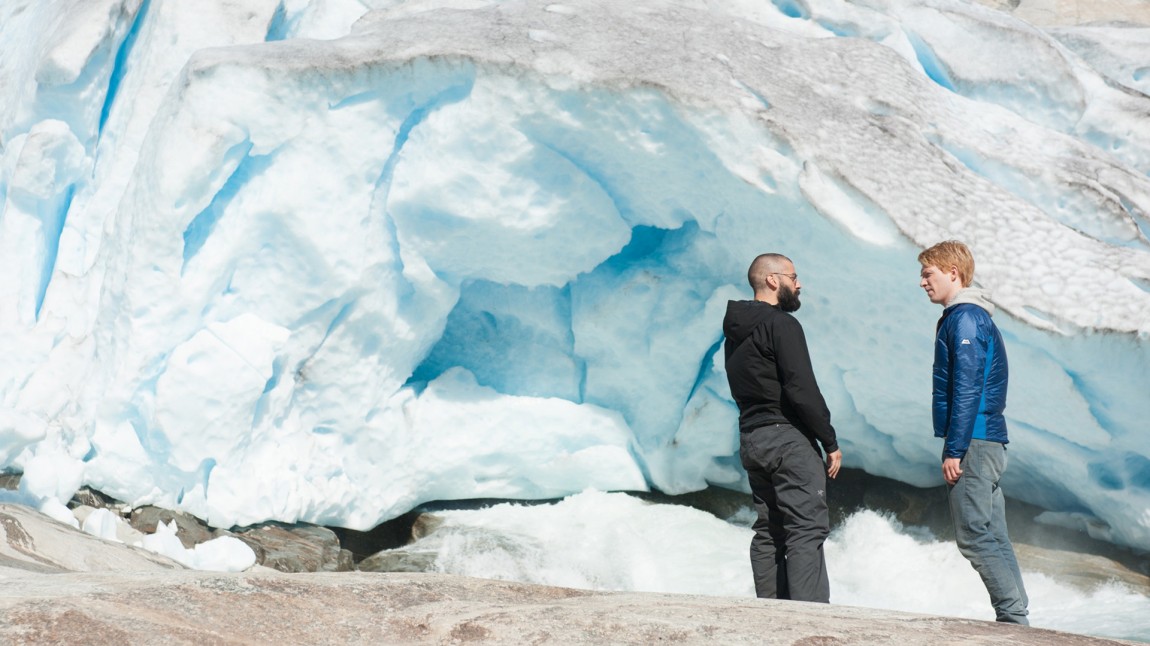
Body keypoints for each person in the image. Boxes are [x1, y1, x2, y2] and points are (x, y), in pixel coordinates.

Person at [918, 240, 1029, 625]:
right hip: (988, 439)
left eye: (927, 273)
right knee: (993, 534)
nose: (922, 282)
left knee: (974, 536)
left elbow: (967, 386)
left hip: (974, 442)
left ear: (954, 273)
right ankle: (1017, 618)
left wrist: (955, 448)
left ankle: (1014, 621)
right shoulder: (971, 317)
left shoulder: (965, 318)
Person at [723, 253, 842, 603]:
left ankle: (772, 616)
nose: (799, 283)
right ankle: (809, 620)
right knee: (806, 529)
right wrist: (829, 441)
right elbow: (800, 387)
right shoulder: (782, 324)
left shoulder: (736, 329)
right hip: (787, 438)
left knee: (769, 530)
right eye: (793, 276)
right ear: (773, 280)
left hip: (752, 437)